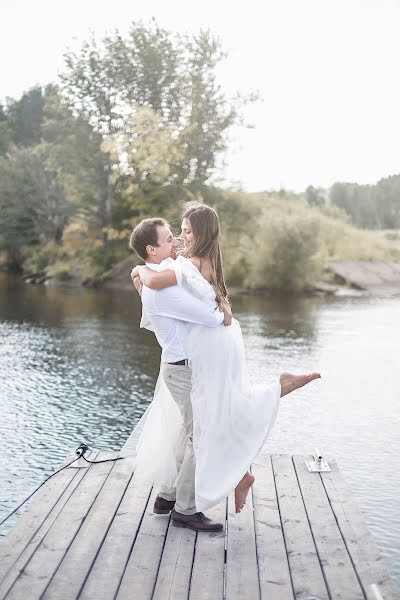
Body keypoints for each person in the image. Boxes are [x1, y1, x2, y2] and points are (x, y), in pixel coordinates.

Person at [121, 206, 320, 531]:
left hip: (192, 365)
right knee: (200, 435)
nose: (177, 240)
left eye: (182, 232)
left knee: (190, 432)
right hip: (183, 369)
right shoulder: (165, 286)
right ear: (152, 250)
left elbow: (178, 283)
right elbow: (209, 316)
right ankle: (185, 508)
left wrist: (142, 273)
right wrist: (220, 310)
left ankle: (170, 497)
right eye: (171, 237)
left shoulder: (178, 269)